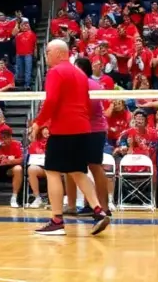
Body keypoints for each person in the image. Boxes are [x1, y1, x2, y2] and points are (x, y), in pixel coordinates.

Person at [28, 40, 110, 235]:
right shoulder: (80, 74)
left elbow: (52, 100)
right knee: (78, 171)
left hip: (64, 128)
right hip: (83, 128)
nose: (45, 55)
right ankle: (98, 211)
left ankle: (56, 220)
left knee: (52, 171)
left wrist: (39, 122)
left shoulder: (56, 72)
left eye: (47, 51)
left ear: (58, 53)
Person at [75, 56, 112, 215]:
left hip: (94, 130)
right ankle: (91, 204)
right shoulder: (78, 84)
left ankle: (103, 207)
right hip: (82, 129)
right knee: (82, 168)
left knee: (95, 166)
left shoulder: (92, 85)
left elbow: (89, 108)